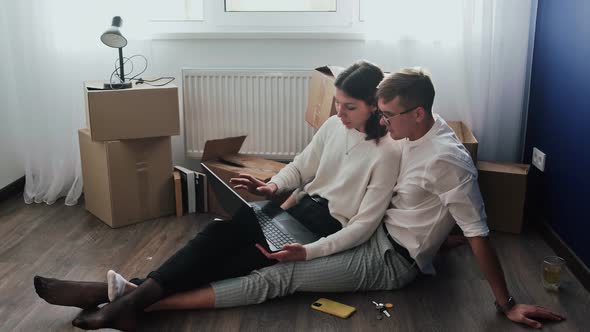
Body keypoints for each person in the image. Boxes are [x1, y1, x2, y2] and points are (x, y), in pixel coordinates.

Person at [97, 67, 565, 329]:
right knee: (234, 237)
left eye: (385, 114)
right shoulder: (413, 128)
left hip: (390, 260)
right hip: (374, 236)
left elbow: (479, 231)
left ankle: (143, 301)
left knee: (274, 276)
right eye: (377, 112)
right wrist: (276, 188)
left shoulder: (442, 158)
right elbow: (416, 202)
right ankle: (133, 293)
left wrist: (506, 304)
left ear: (415, 113)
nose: (381, 123)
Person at [34, 60, 403, 331]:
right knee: (217, 235)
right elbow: (302, 166)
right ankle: (127, 300)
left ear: (375, 104)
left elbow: (364, 226)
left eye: (349, 106)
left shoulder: (386, 153)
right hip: (297, 211)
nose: (338, 112)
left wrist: (308, 252)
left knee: (231, 260)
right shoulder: (333, 126)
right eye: (337, 103)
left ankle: (117, 296)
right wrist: (271, 187)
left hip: (324, 230)